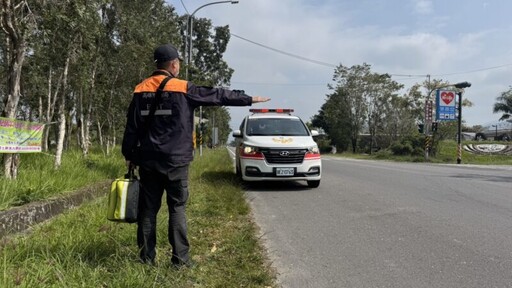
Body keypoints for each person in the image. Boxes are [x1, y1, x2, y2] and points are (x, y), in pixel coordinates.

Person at [121, 43, 270, 267]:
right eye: (178, 63)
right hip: (176, 161)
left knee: (148, 210)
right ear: (173, 64)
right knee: (177, 208)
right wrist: (247, 99)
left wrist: (129, 154)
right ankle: (180, 261)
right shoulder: (183, 88)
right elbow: (216, 95)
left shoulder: (140, 89)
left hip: (148, 160)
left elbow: (131, 127)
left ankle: (146, 260)